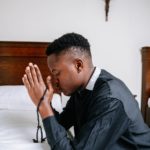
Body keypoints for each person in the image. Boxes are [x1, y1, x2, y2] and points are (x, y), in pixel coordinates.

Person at [22, 33, 150, 150]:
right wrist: (46, 104)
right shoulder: (81, 89)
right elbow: (61, 124)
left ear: (78, 65)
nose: (55, 81)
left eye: (57, 73)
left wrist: (43, 107)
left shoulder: (110, 99)